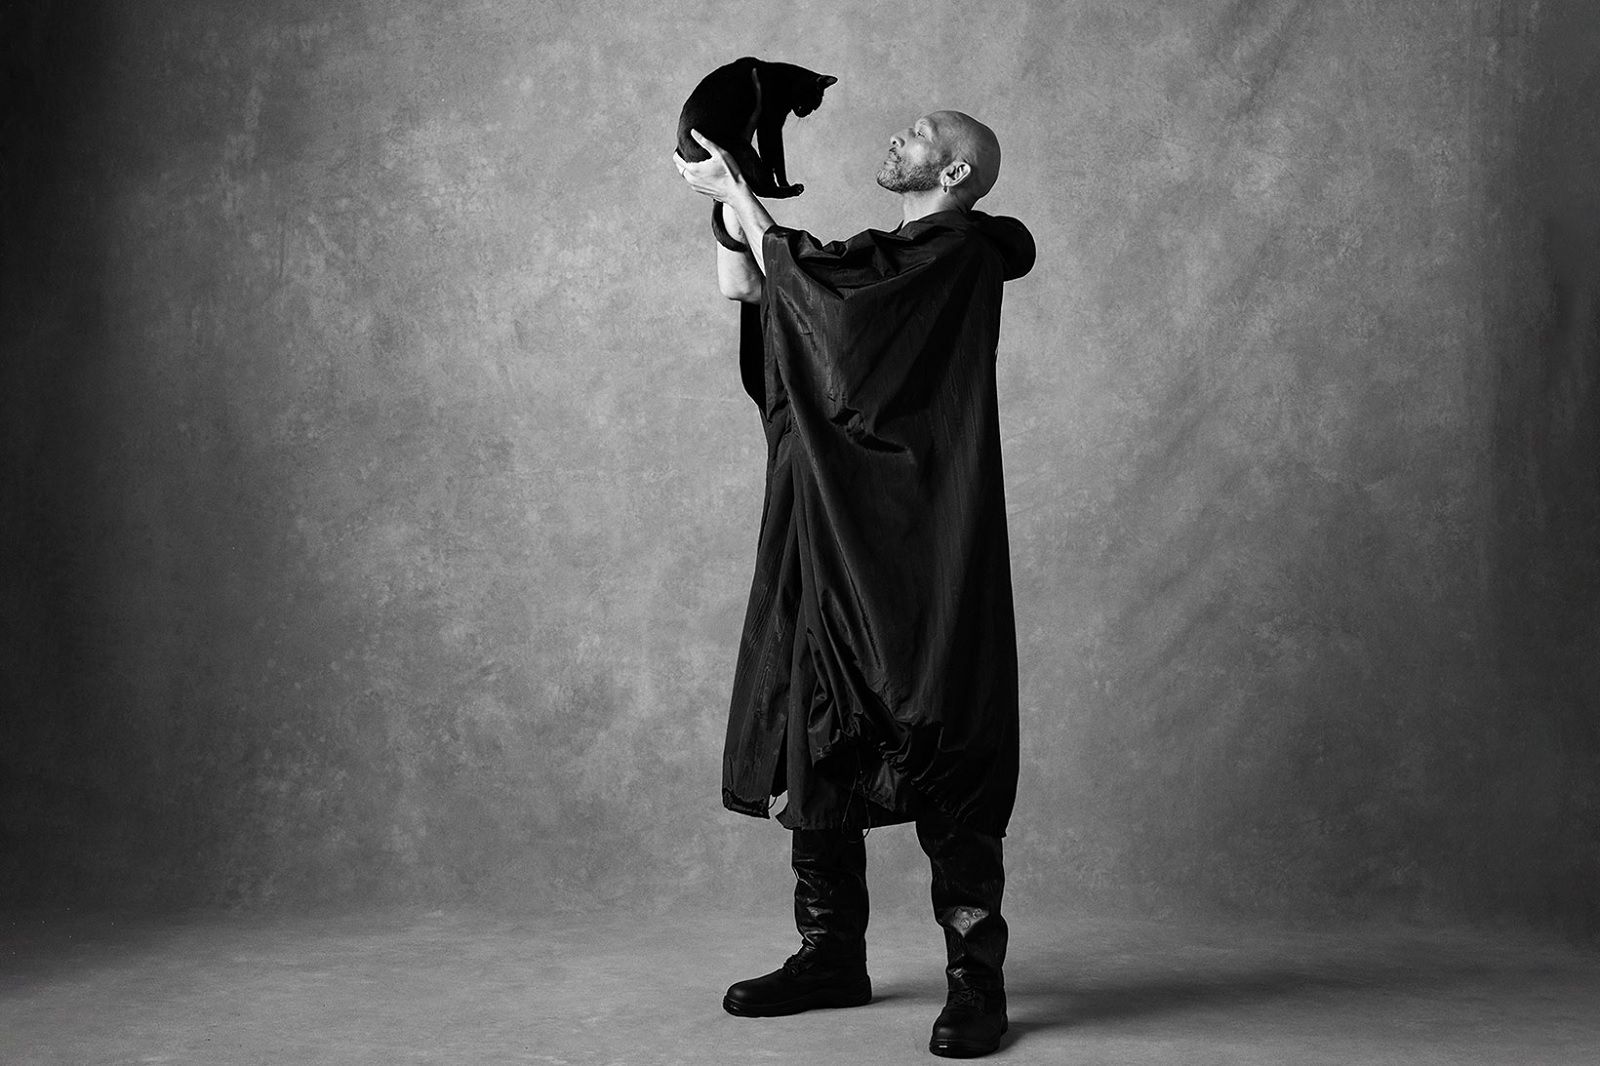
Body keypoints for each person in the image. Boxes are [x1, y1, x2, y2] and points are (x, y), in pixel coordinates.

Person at [674, 109, 1035, 1059]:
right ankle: (830, 952)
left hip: (917, 538)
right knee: (817, 715)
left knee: (940, 724)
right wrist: (729, 195)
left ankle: (976, 978)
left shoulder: (960, 255)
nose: (898, 138)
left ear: (953, 172)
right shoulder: (880, 257)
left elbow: (831, 318)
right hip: (823, 522)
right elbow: (760, 293)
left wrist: (745, 202)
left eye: (919, 134)